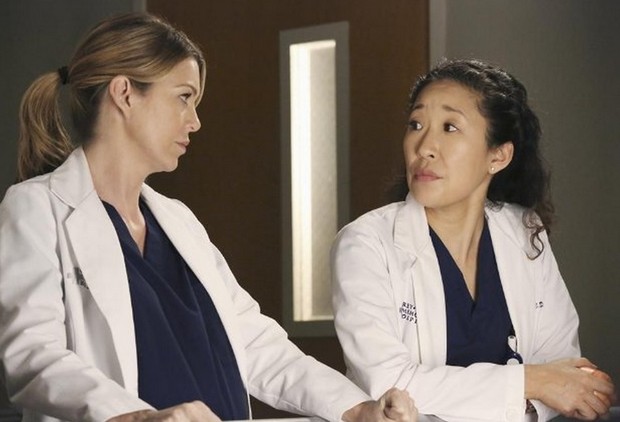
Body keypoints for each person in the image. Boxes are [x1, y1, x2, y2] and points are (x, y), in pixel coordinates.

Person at [0, 12, 418, 422]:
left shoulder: (178, 222)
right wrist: (136, 417)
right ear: (125, 94)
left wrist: (355, 409)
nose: (195, 122)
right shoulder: (36, 208)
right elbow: (33, 355)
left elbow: (256, 342)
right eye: (184, 97)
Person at [331, 59, 616, 422]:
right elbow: (390, 385)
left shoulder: (524, 231)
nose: (425, 147)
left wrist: (543, 388)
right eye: (416, 125)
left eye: (450, 127)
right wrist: (531, 381)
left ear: (498, 156)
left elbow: (566, 373)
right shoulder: (365, 244)